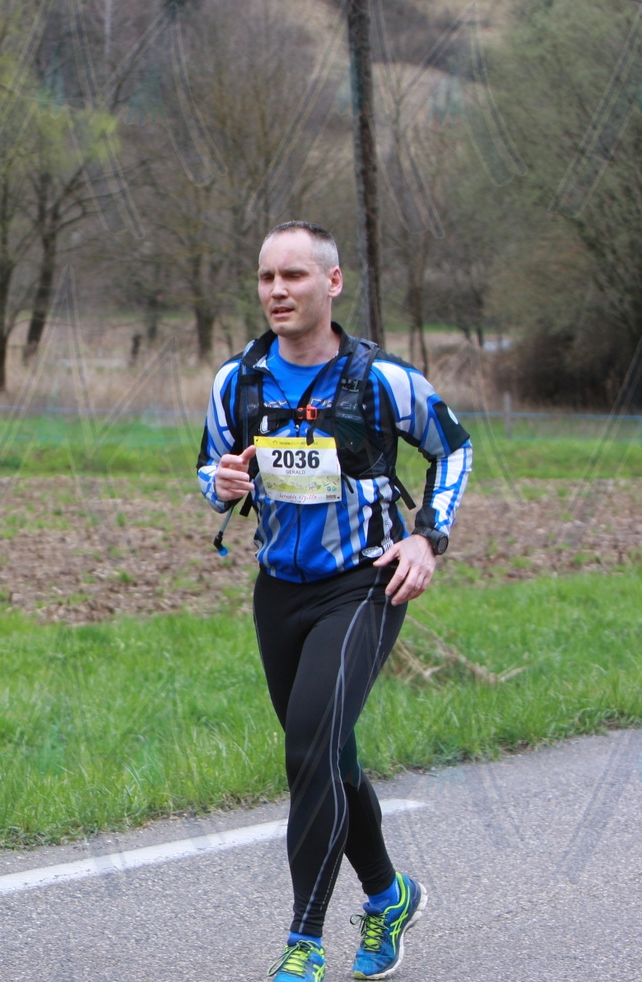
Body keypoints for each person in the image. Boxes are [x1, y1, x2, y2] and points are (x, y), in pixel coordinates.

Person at [196, 222, 471, 982]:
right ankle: (389, 895)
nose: (277, 290)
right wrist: (221, 482)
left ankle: (304, 940)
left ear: (333, 282)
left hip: (364, 582)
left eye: (294, 275)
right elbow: (211, 469)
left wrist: (428, 538)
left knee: (309, 750)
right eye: (266, 278)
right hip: (279, 591)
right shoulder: (238, 380)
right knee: (331, 754)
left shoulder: (382, 379)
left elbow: (453, 447)